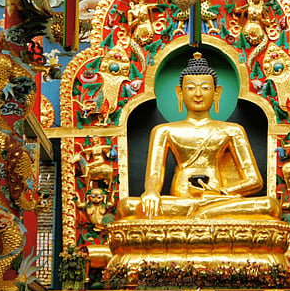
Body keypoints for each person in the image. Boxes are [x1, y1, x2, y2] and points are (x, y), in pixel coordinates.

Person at [116, 52, 280, 220]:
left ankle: (204, 214)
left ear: (217, 93)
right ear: (180, 93)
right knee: (127, 207)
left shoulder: (232, 130)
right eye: (190, 87)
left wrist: (220, 192)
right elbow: (154, 175)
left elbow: (255, 180)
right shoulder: (164, 131)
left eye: (206, 87)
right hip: (180, 202)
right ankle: (203, 215)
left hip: (218, 200)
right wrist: (150, 191)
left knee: (270, 206)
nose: (198, 94)